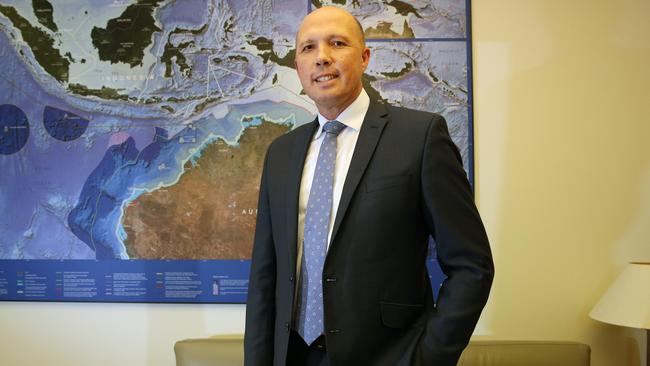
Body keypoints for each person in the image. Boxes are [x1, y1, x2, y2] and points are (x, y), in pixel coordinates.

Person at [244, 6, 493, 366]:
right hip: (293, 355)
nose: (322, 58)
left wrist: (428, 357)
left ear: (364, 58)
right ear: (297, 67)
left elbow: (472, 264)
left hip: (388, 356)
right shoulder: (281, 153)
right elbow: (264, 276)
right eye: (307, 48)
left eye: (337, 43)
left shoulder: (420, 137)